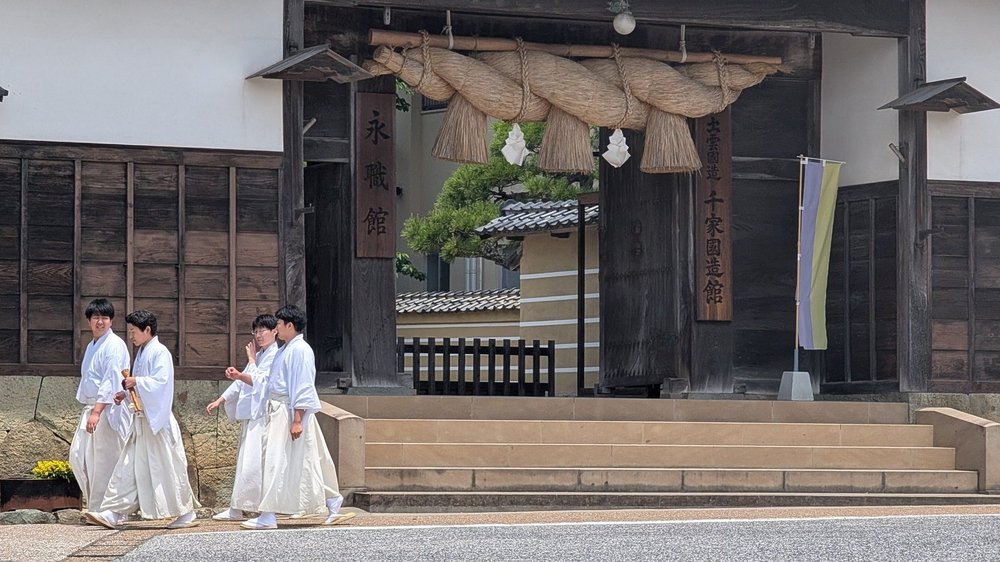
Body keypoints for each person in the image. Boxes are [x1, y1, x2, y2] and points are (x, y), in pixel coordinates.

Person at [241, 304, 354, 530]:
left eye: (279, 324)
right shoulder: (286, 349)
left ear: (289, 326)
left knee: (277, 460)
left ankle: (268, 515)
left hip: (288, 411)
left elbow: (303, 386)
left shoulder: (300, 350)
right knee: (303, 460)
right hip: (280, 410)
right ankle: (332, 502)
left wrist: (296, 419)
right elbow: (271, 382)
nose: (276, 329)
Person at [85, 310, 199, 530]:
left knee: (168, 467)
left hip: (157, 422)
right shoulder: (143, 352)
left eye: (134, 331)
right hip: (142, 420)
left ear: (147, 330)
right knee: (128, 466)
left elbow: (161, 382)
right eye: (129, 331)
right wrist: (124, 393)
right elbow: (140, 385)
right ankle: (115, 512)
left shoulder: (160, 352)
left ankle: (186, 512)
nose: (131, 336)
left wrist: (136, 381)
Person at [205, 314, 280, 521]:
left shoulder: (275, 355)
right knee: (245, 461)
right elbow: (242, 381)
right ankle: (237, 507)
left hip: (263, 415)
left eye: (263, 330)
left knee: (255, 463)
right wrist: (221, 399)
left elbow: (260, 382)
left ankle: (255, 507)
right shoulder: (261, 355)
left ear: (275, 331)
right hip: (252, 416)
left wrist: (249, 364)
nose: (258, 335)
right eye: (255, 331)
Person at [68, 298, 131, 513]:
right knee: (81, 457)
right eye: (96, 318)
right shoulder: (92, 345)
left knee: (105, 461)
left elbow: (110, 381)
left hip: (107, 409)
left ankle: (110, 509)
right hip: (93, 407)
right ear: (89, 321)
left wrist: (97, 412)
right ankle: (96, 507)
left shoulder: (114, 345)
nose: (100, 322)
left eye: (105, 318)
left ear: (111, 321)